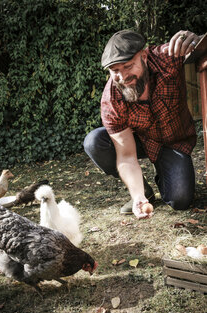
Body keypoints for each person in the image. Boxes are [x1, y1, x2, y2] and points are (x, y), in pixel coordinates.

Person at [84, 30, 203, 219]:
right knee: (94, 141)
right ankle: (143, 190)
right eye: (115, 71)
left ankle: (165, 170)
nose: (123, 77)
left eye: (128, 66)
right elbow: (126, 157)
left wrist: (196, 41)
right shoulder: (111, 101)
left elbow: (198, 50)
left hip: (174, 142)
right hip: (139, 140)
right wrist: (137, 196)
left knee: (180, 200)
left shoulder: (168, 57)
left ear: (144, 56)